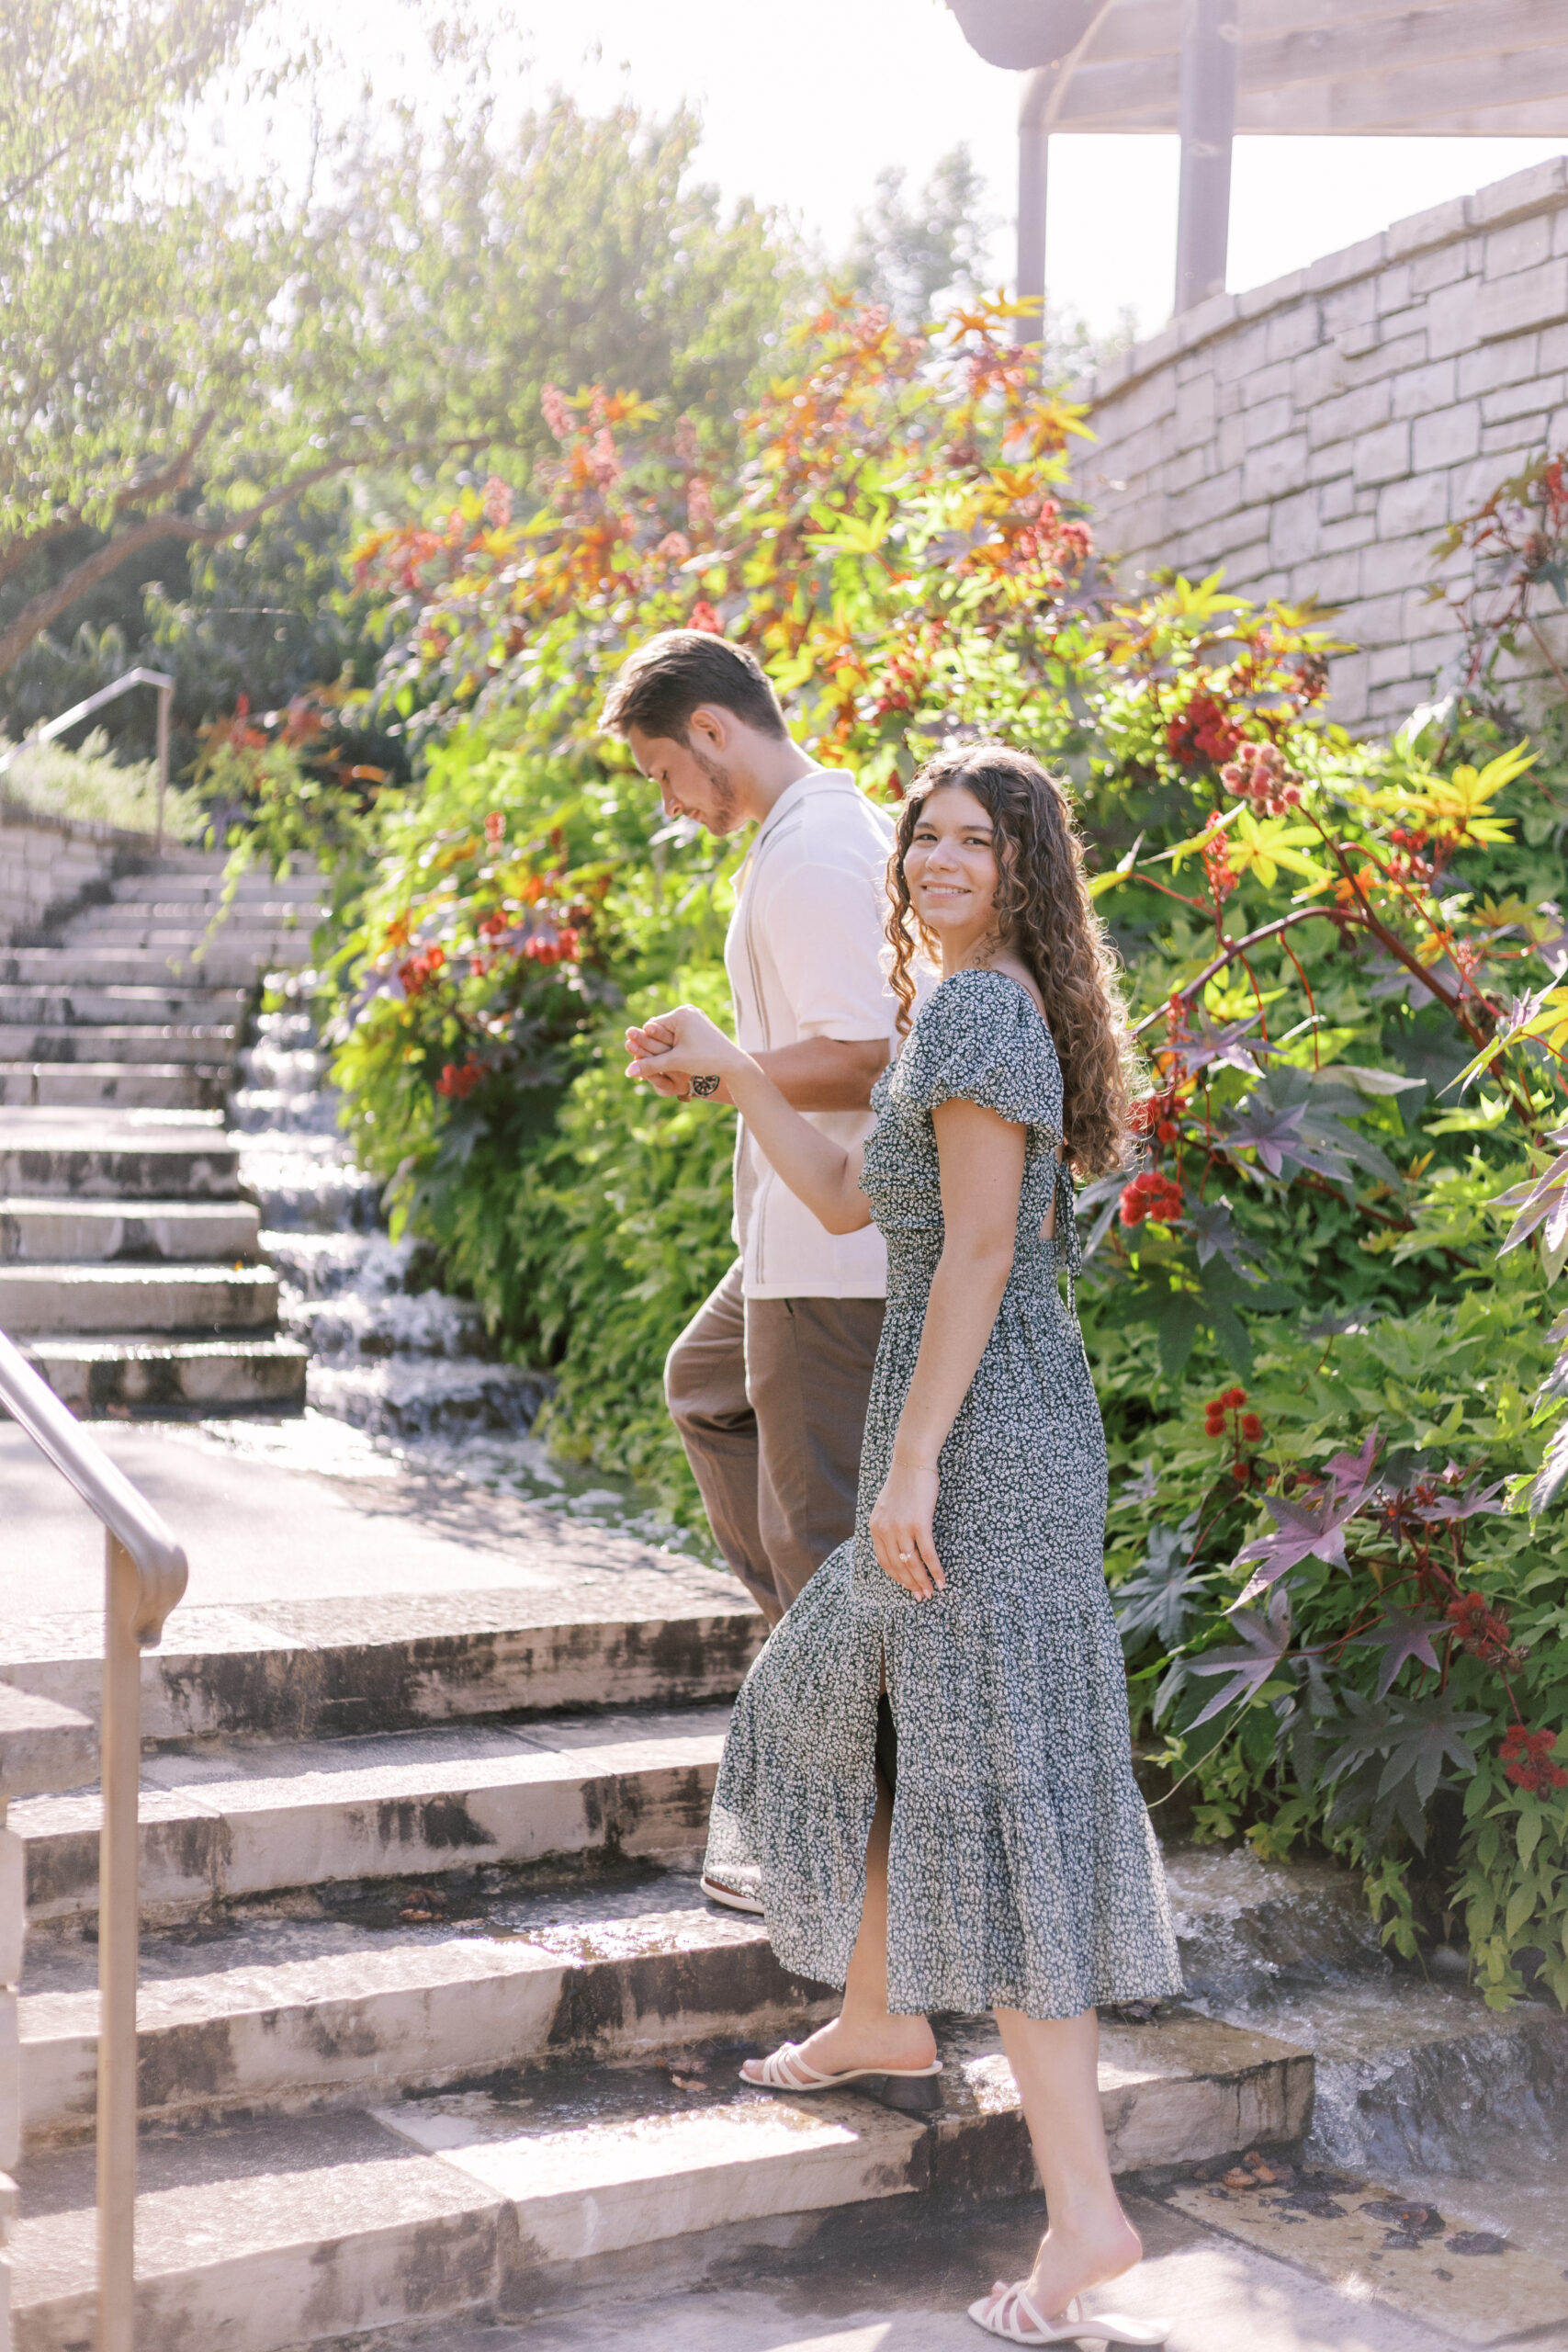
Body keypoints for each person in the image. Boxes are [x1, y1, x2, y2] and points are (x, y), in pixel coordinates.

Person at [625, 742, 1182, 2349]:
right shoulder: (953, 1008)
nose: (935, 858)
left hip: (985, 1447)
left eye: (970, 840)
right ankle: (1065, 2198)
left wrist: (917, 1460)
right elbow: (846, 1197)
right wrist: (736, 1069)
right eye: (922, 835)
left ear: (1023, 867)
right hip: (964, 1441)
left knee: (988, 1807)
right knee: (945, 1777)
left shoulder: (983, 1010)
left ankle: (1076, 2213)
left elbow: (986, 1253)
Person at [602, 630, 902, 1646]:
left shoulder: (814, 853)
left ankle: (855, 1756)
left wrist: (729, 1070)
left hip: (834, 1254)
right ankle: (807, 1674)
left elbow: (867, 1054)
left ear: (711, 728)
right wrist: (718, 1069)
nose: (670, 802)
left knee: (819, 1548)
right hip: (796, 1241)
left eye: (665, 773)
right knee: (703, 1385)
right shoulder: (809, 834)